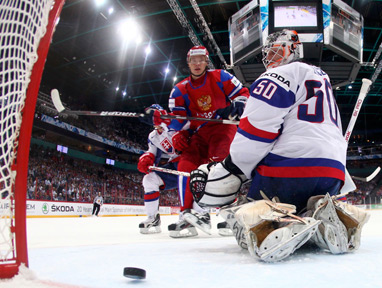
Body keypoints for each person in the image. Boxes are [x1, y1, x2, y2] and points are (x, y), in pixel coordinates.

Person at [188, 29, 369, 262]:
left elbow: (256, 132)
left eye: (275, 51)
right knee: (306, 205)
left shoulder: (277, 75)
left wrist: (231, 168)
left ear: (294, 50)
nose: (270, 59)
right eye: (268, 54)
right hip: (334, 176)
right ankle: (328, 222)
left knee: (246, 220)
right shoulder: (321, 77)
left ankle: (276, 225)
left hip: (290, 172)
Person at [152, 45, 250, 233]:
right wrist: (172, 129)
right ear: (188, 63)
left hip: (223, 128)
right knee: (185, 165)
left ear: (206, 61)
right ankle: (187, 216)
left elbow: (243, 94)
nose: (197, 63)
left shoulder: (221, 77)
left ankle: (229, 215)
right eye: (193, 60)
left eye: (201, 60)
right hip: (199, 133)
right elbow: (179, 121)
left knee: (220, 166)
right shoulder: (179, 90)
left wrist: (239, 102)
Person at [136, 105, 198, 237]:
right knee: (149, 179)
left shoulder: (175, 123)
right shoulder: (153, 137)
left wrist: (168, 121)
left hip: (191, 161)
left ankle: (188, 217)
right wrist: (146, 158)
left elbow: (191, 127)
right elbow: (152, 153)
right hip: (175, 164)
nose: (156, 126)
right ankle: (153, 218)